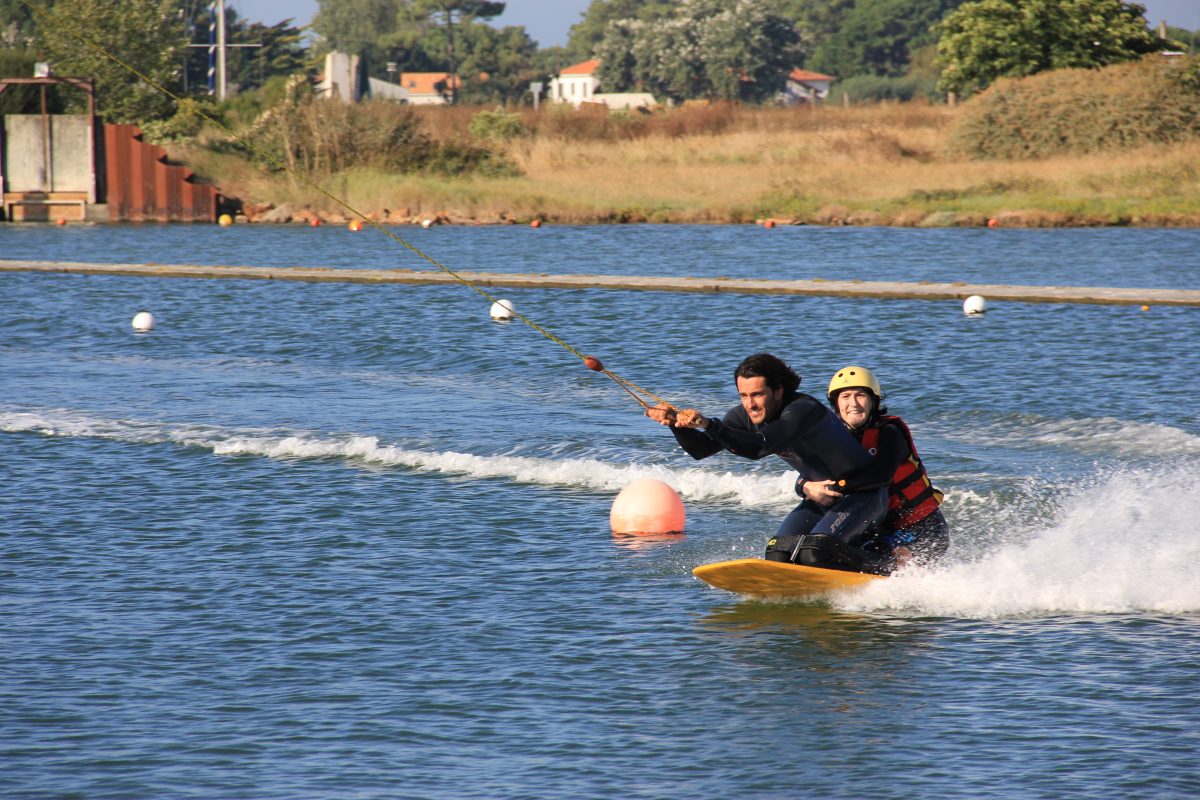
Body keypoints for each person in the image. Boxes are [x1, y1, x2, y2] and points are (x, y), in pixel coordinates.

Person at [646, 353, 891, 573]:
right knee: (777, 552)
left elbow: (759, 446)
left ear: (778, 391)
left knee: (815, 552)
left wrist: (710, 425)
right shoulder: (745, 416)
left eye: (757, 394)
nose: (750, 404)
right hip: (819, 498)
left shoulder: (803, 410)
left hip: (863, 496)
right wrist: (674, 425)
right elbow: (701, 449)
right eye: (743, 395)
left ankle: (891, 567)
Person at [824, 366, 949, 571]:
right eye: (845, 396)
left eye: (860, 396)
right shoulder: (838, 439)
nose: (853, 403)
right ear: (836, 403)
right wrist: (805, 485)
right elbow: (808, 472)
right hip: (880, 529)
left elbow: (881, 475)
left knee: (883, 553)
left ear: (873, 401)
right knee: (832, 549)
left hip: (923, 529)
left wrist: (839, 485)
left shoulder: (890, 432)